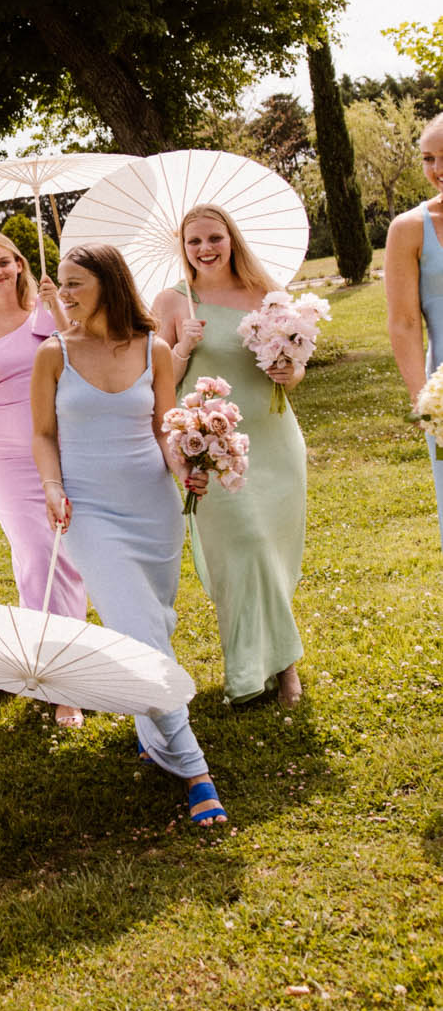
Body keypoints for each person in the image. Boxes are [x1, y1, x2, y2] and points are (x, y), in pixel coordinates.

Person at [31, 244, 226, 826]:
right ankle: (194, 769)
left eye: (75, 283)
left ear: (109, 283)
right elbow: (42, 434)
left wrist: (184, 464)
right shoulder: (53, 354)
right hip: (87, 512)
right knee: (138, 629)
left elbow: (164, 428)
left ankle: (151, 728)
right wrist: (50, 486)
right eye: (61, 284)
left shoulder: (155, 349)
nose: (63, 294)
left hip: (153, 507)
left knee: (156, 621)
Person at [153, 203, 306, 707]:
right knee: (246, 547)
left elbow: (293, 361)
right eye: (194, 242)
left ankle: (276, 661)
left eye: (214, 238)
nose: (205, 249)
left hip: (275, 440)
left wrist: (291, 372)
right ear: (184, 248)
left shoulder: (265, 295)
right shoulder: (174, 303)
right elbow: (154, 386)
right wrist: (180, 351)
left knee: (274, 554)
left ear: (231, 239)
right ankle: (270, 670)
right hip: (213, 450)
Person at [0, 230, 87, 728]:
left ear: (21, 264)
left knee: (69, 553)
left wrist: (59, 310)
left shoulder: (48, 312)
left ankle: (77, 656)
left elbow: (83, 359)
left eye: (5, 262)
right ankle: (59, 681)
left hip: (58, 443)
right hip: (5, 457)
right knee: (36, 555)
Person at [385, 113, 443, 548]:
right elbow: (404, 323)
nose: (438, 171)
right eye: (429, 159)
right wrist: (425, 402)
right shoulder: (408, 230)